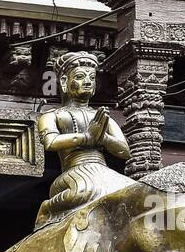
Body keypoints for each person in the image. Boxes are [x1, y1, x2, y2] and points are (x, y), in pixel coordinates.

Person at [33, 51, 133, 233]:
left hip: (102, 169)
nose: (87, 81)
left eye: (92, 77)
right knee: (88, 190)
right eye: (80, 77)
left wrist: (104, 138)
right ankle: (48, 209)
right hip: (74, 170)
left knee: (130, 193)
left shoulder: (102, 117)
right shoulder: (52, 116)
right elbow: (50, 142)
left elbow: (125, 151)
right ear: (64, 82)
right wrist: (86, 137)